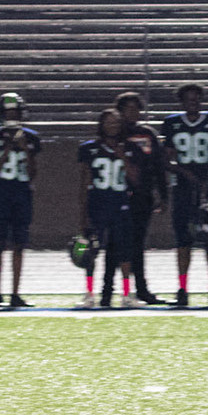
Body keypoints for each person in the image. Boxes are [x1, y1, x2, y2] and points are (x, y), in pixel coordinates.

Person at [159, 82, 208, 307]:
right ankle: (182, 289)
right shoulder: (172, 123)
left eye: (196, 98)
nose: (193, 103)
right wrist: (185, 173)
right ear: (181, 102)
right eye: (188, 99)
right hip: (183, 189)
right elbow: (166, 159)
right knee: (183, 241)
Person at [0, 92, 39, 310]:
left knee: (19, 245)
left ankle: (15, 293)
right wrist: (6, 150)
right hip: (1, 193)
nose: (12, 116)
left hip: (22, 193)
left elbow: (33, 173)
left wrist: (25, 149)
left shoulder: (30, 137)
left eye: (15, 112)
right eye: (8, 112)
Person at [111, 91, 165, 304]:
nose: (132, 113)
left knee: (137, 243)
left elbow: (158, 165)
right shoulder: (114, 133)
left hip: (142, 195)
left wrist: (162, 193)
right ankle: (108, 290)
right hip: (117, 195)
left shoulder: (147, 134)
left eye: (136, 108)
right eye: (128, 108)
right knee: (115, 244)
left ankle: (141, 288)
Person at [77, 109, 133, 309]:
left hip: (120, 206)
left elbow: (135, 179)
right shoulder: (89, 148)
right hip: (98, 206)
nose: (113, 126)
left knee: (124, 252)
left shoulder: (129, 148)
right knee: (90, 251)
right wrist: (83, 214)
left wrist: (123, 158)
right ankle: (89, 293)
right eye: (109, 122)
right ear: (101, 125)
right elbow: (84, 182)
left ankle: (126, 294)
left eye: (116, 122)